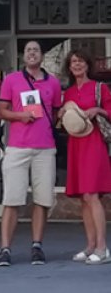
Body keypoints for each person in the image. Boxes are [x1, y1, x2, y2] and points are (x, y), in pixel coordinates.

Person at [0, 40, 61, 266]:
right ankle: (5, 249)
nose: (32, 53)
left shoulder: (53, 82)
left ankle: (37, 247)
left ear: (42, 56)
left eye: (36, 50)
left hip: (45, 148)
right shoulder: (11, 80)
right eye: (28, 50)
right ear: (24, 56)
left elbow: (56, 111)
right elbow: (1, 111)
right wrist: (20, 116)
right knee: (12, 200)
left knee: (42, 200)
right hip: (17, 148)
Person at [58, 49, 111, 264]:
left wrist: (97, 109)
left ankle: (102, 247)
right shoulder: (68, 92)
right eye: (73, 62)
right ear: (69, 68)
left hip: (94, 143)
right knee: (83, 197)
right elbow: (64, 124)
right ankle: (90, 245)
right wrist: (60, 114)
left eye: (80, 61)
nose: (77, 65)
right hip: (76, 144)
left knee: (92, 195)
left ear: (87, 65)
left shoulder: (100, 88)